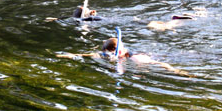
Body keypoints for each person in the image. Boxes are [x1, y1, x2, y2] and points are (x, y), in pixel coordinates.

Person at [57, 37, 188, 76]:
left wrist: (176, 71)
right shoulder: (109, 55)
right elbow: (93, 54)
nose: (106, 55)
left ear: (115, 51)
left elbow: (159, 64)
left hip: (163, 57)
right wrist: (72, 55)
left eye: (108, 52)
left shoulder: (135, 58)